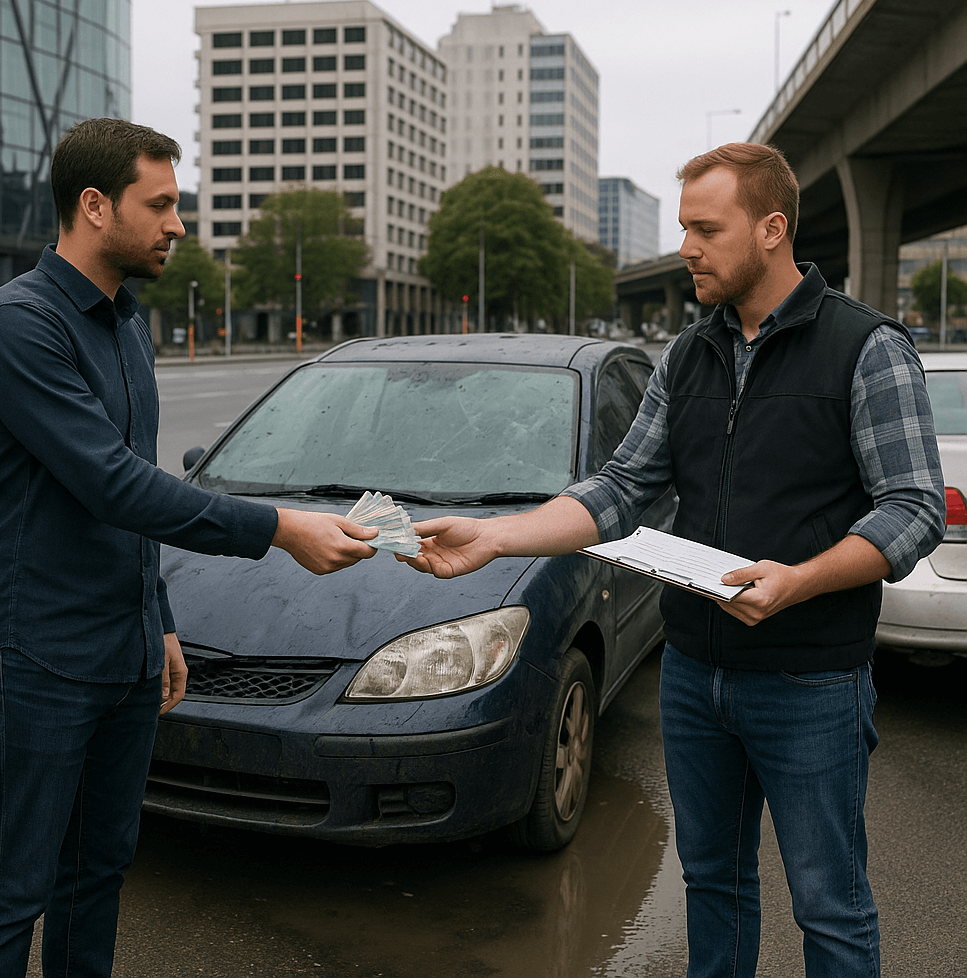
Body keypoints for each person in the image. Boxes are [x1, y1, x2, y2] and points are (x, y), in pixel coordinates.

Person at [402, 143, 945, 977]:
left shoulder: (866, 346)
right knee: (714, 883)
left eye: (706, 228)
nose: (686, 247)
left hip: (809, 681)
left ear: (771, 229)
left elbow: (913, 509)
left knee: (829, 907)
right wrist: (499, 536)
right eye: (683, 227)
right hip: (694, 675)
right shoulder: (689, 353)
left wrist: (799, 581)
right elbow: (623, 487)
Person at [0, 118, 379, 978]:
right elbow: (112, 485)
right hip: (36, 654)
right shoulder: (17, 325)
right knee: (13, 889)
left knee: (97, 874)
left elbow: (134, 495)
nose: (178, 225)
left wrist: (161, 619)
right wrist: (279, 527)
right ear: (94, 205)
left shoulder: (127, 323)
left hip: (125, 650)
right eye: (160, 205)